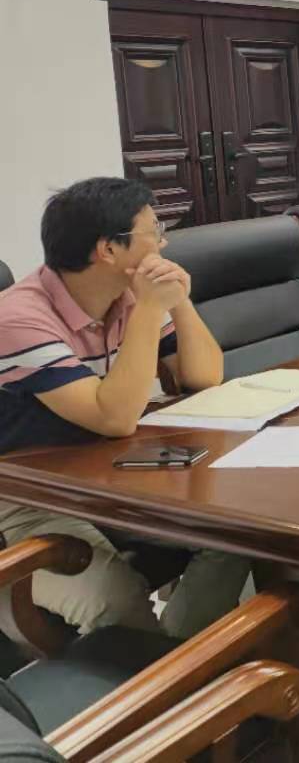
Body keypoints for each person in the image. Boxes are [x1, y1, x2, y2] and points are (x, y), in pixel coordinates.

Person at [0, 178, 250, 637]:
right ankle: (167, 670)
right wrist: (151, 310)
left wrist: (180, 303)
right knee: (114, 597)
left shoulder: (128, 296)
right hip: (28, 498)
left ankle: (183, 657)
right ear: (108, 250)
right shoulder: (18, 318)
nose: (163, 243)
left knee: (238, 531)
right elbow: (114, 418)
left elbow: (203, 376)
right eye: (154, 231)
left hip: (109, 476)